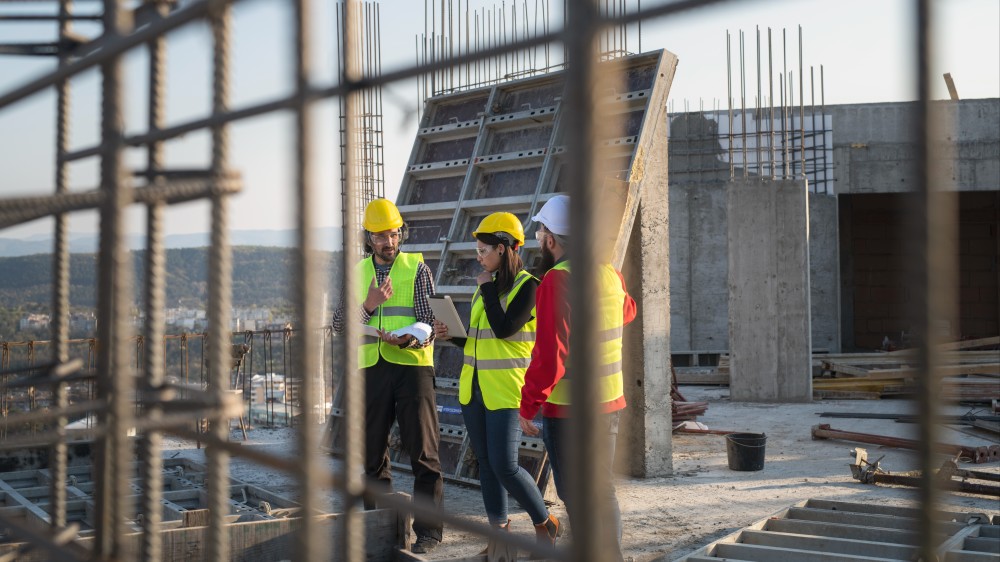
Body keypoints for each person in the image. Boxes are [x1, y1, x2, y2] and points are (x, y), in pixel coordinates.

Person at [517, 195, 637, 561]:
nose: (538, 236)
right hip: (609, 403)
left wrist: (528, 405)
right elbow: (627, 310)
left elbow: (550, 357)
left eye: (540, 230)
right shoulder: (608, 273)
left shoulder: (556, 281)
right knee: (602, 491)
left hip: (569, 411)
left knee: (576, 496)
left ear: (550, 240)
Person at [432, 212, 560, 555]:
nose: (478, 257)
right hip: (472, 389)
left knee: (505, 465)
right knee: (486, 465)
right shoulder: (486, 289)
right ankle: (499, 540)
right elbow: (482, 339)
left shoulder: (529, 286)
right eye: (476, 250)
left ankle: (545, 522)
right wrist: (454, 336)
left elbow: (505, 329)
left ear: (504, 249)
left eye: (484, 250)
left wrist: (486, 287)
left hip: (505, 390)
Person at [332, 198, 444, 555]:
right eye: (381, 236)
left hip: (412, 368)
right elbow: (338, 325)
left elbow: (429, 319)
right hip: (371, 370)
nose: (389, 242)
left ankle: (428, 532)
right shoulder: (357, 273)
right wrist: (368, 305)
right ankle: (380, 526)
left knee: (423, 454)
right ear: (369, 238)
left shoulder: (417, 268)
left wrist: (413, 336)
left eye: (394, 234)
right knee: (370, 455)